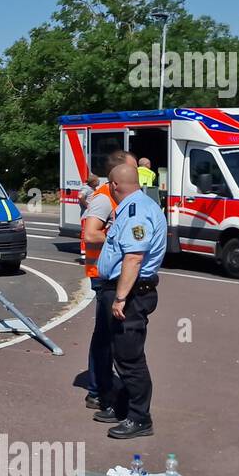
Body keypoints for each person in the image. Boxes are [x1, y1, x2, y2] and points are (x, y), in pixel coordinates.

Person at [92, 163, 167, 440]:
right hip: (125, 289)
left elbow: (133, 257)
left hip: (131, 293)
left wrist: (121, 297)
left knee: (129, 356)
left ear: (113, 186)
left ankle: (139, 418)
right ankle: (123, 406)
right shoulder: (136, 207)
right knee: (120, 353)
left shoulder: (136, 212)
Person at [79, 151, 137, 410]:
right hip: (102, 274)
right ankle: (97, 389)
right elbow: (90, 235)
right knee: (105, 334)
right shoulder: (104, 199)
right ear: (118, 173)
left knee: (108, 333)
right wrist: (121, 238)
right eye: (132, 170)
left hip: (111, 272)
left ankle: (101, 386)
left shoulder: (118, 198)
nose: (136, 176)